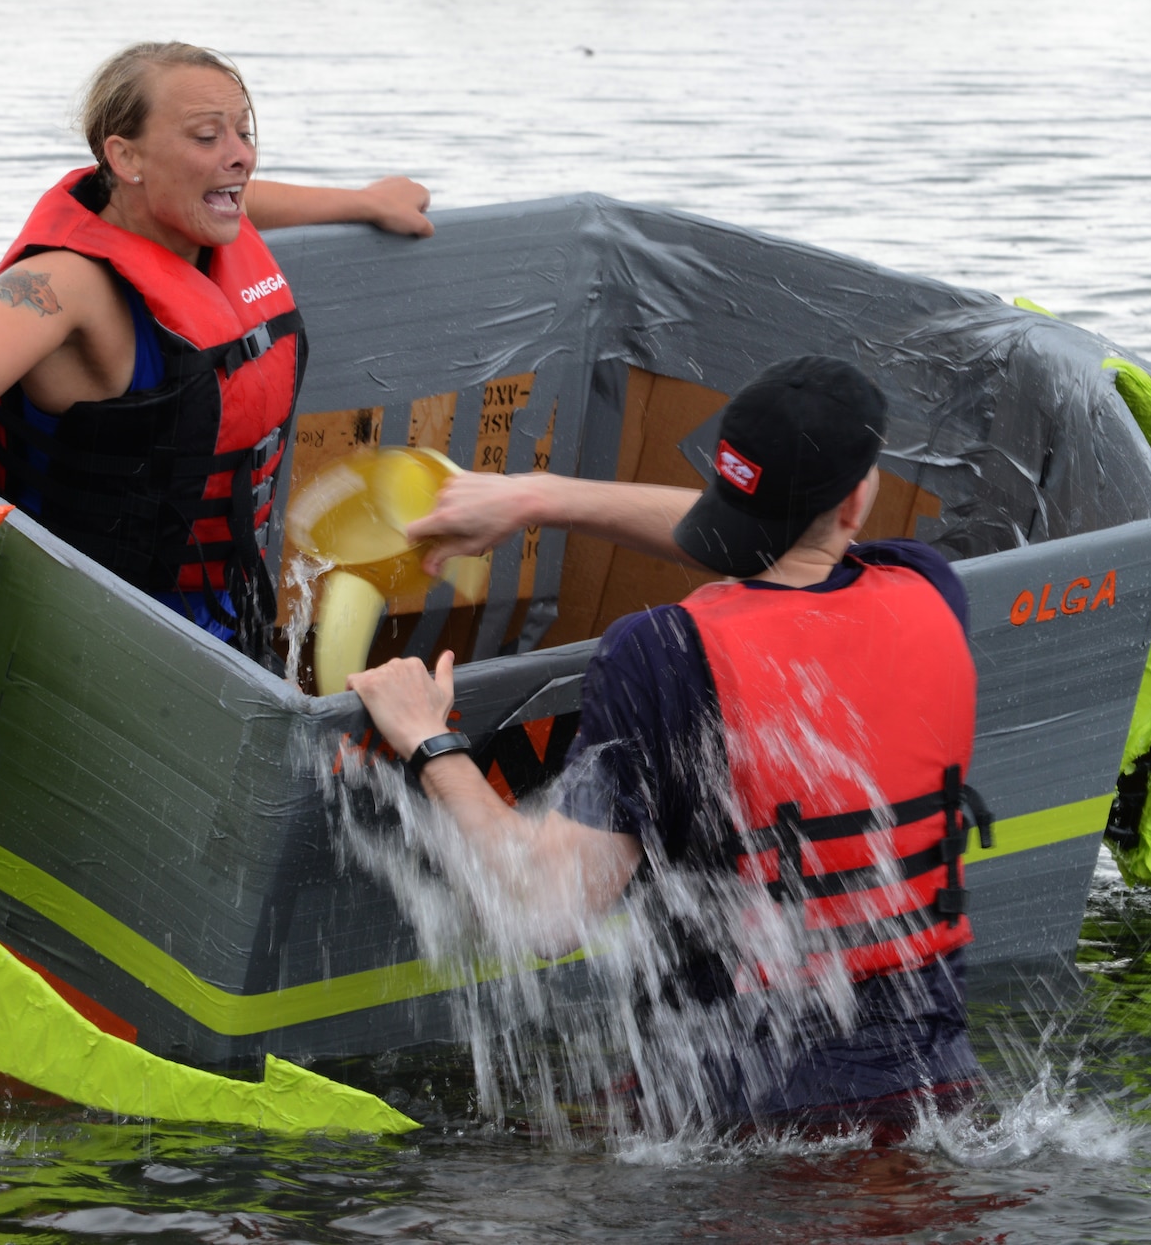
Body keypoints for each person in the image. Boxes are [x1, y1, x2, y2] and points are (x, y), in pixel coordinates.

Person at [346, 355, 988, 1134]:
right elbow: (774, 554)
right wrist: (533, 499)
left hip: (733, 1130)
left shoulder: (661, 654)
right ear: (856, 501)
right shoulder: (930, 589)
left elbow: (545, 912)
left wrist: (428, 741)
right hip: (935, 1097)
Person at [0, 42, 434, 660]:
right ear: (125, 157)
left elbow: (246, 198)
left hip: (226, 624)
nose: (240, 156)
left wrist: (364, 201)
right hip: (91, 641)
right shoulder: (65, 283)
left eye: (243, 132)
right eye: (207, 136)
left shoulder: (194, 209)